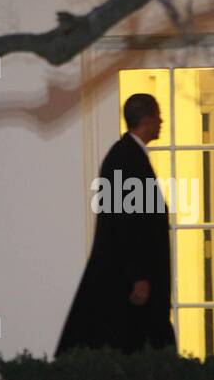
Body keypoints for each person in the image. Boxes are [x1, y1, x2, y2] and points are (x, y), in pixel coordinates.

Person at [55, 93, 176, 356]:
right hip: (129, 280)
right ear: (147, 119)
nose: (162, 121)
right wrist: (139, 275)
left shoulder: (125, 156)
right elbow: (127, 223)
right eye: (158, 116)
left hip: (126, 277)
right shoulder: (128, 159)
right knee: (135, 344)